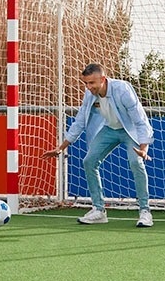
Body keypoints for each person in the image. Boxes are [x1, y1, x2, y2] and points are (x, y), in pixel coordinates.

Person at [43, 63, 155, 227]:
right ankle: (99, 210)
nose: (89, 87)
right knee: (89, 161)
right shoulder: (89, 95)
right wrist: (61, 147)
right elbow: (79, 121)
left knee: (135, 162)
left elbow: (140, 120)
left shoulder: (122, 90)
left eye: (92, 83)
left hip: (130, 130)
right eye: (86, 83)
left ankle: (145, 211)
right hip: (109, 129)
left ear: (103, 79)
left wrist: (144, 148)